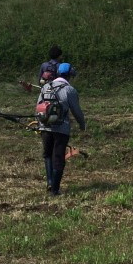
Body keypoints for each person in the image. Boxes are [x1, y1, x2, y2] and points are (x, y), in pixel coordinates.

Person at [36, 62, 86, 195]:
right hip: (61, 128)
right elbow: (76, 111)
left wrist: (39, 124)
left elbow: (38, 106)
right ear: (69, 75)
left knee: (47, 154)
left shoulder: (46, 86)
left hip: (45, 126)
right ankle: (55, 190)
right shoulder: (69, 90)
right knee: (58, 157)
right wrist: (82, 124)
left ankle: (50, 182)